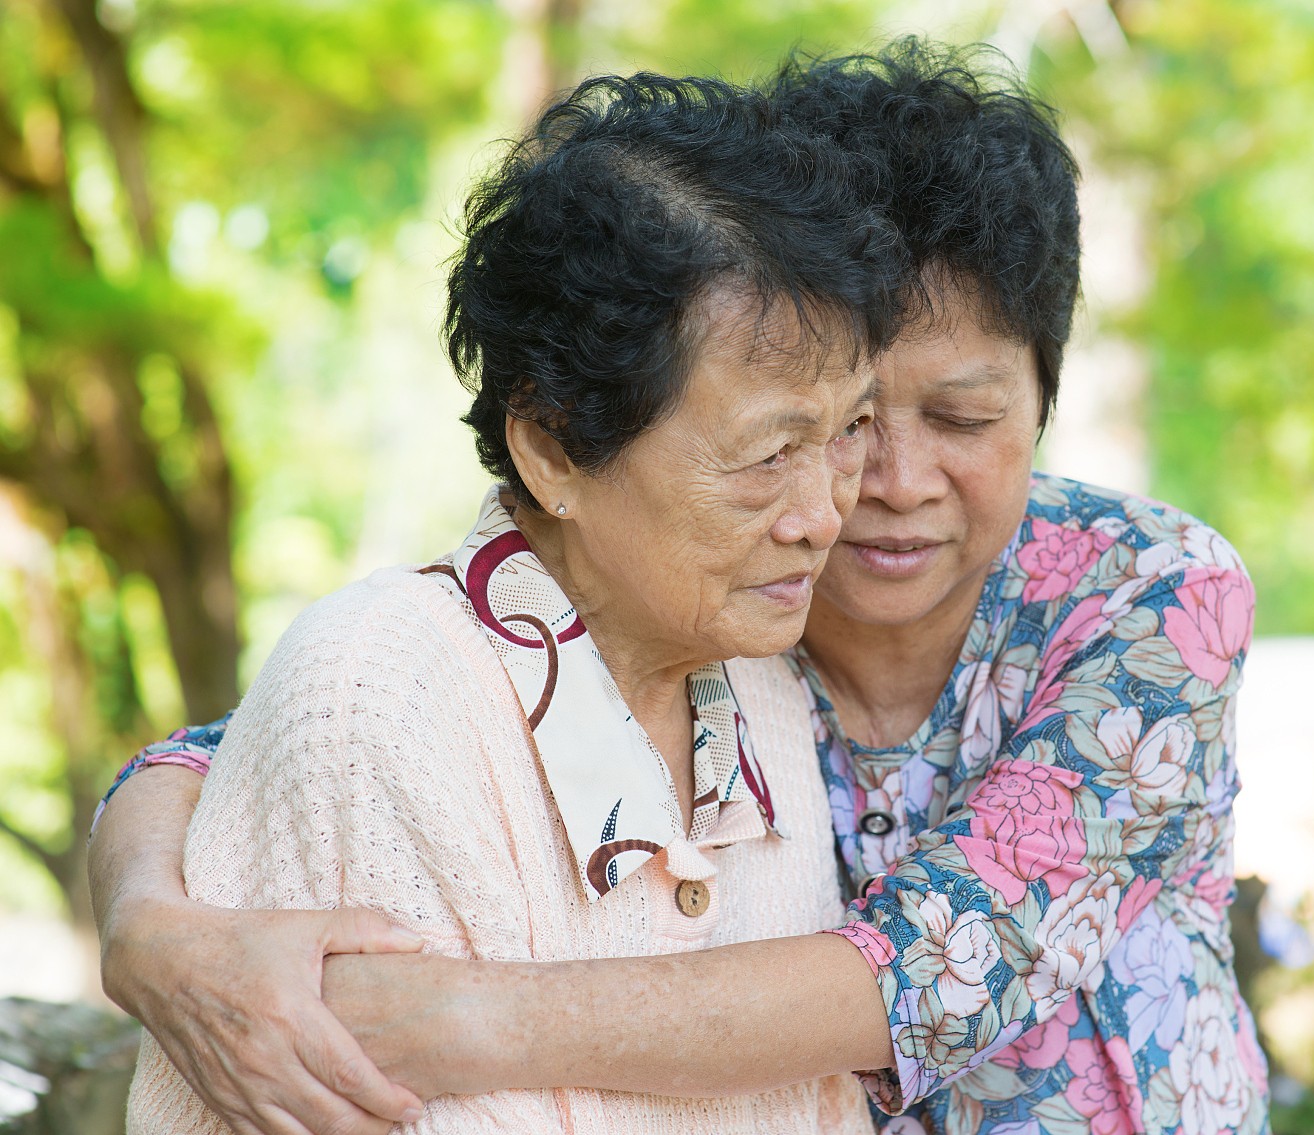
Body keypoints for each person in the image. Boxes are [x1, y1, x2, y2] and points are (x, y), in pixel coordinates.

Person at [92, 41, 1272, 1135]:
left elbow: (941, 960)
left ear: (1043, 404)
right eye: (842, 420)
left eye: (963, 417)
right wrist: (151, 930)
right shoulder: (722, 588)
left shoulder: (1147, 596)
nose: (883, 486)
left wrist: (458, 1020)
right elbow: (257, 739)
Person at [120, 70, 907, 1135]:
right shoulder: (380, 693)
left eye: (847, 429)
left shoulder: (758, 682)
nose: (825, 512)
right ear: (550, 447)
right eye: (769, 453)